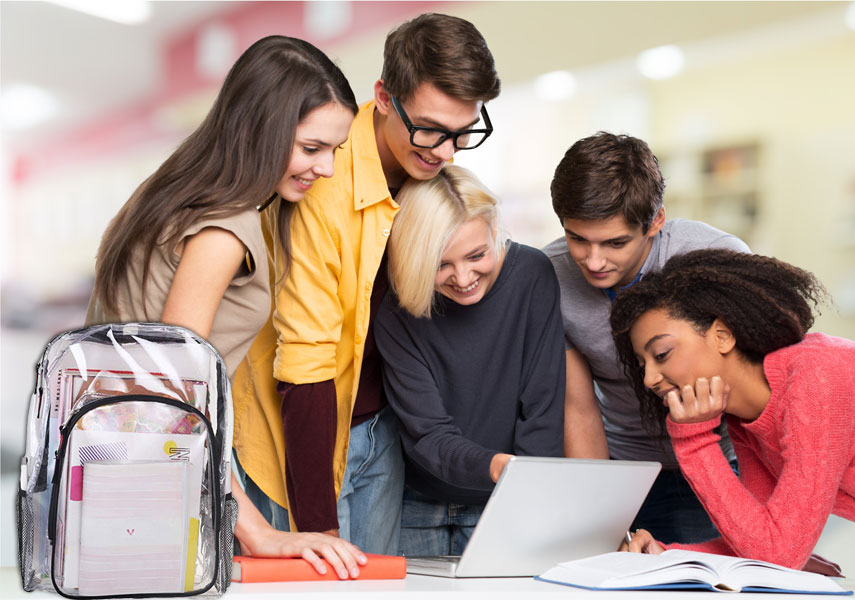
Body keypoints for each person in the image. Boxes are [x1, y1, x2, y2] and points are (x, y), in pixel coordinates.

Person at [85, 35, 367, 578]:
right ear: (261, 130)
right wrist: (257, 530)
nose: (327, 168)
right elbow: (177, 391)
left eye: (336, 149)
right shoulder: (224, 228)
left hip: (119, 466)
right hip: (155, 480)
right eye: (312, 149)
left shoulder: (173, 195)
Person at [232, 13, 501, 555]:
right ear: (383, 97)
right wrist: (318, 527)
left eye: (462, 132)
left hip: (382, 427)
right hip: (295, 434)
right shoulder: (320, 185)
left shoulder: (434, 172)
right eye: (429, 129)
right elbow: (306, 360)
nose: (445, 152)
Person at [613, 249, 855, 568]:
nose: (650, 380)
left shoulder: (815, 380)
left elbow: (777, 552)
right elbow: (760, 540)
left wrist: (693, 441)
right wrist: (667, 554)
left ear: (722, 335)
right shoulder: (747, 420)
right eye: (644, 365)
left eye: (661, 355)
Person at [542, 132, 748, 544]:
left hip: (721, 462)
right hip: (623, 471)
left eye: (615, 242)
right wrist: (602, 513)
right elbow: (578, 407)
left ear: (655, 221)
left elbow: (768, 384)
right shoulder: (549, 276)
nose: (594, 261)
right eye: (577, 238)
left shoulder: (717, 259)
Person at [374, 164, 565, 556]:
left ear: (495, 228)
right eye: (440, 265)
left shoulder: (532, 276)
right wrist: (498, 466)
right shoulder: (395, 309)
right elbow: (427, 433)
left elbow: (543, 411)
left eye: (476, 255)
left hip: (507, 501)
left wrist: (524, 492)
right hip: (417, 503)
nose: (462, 278)